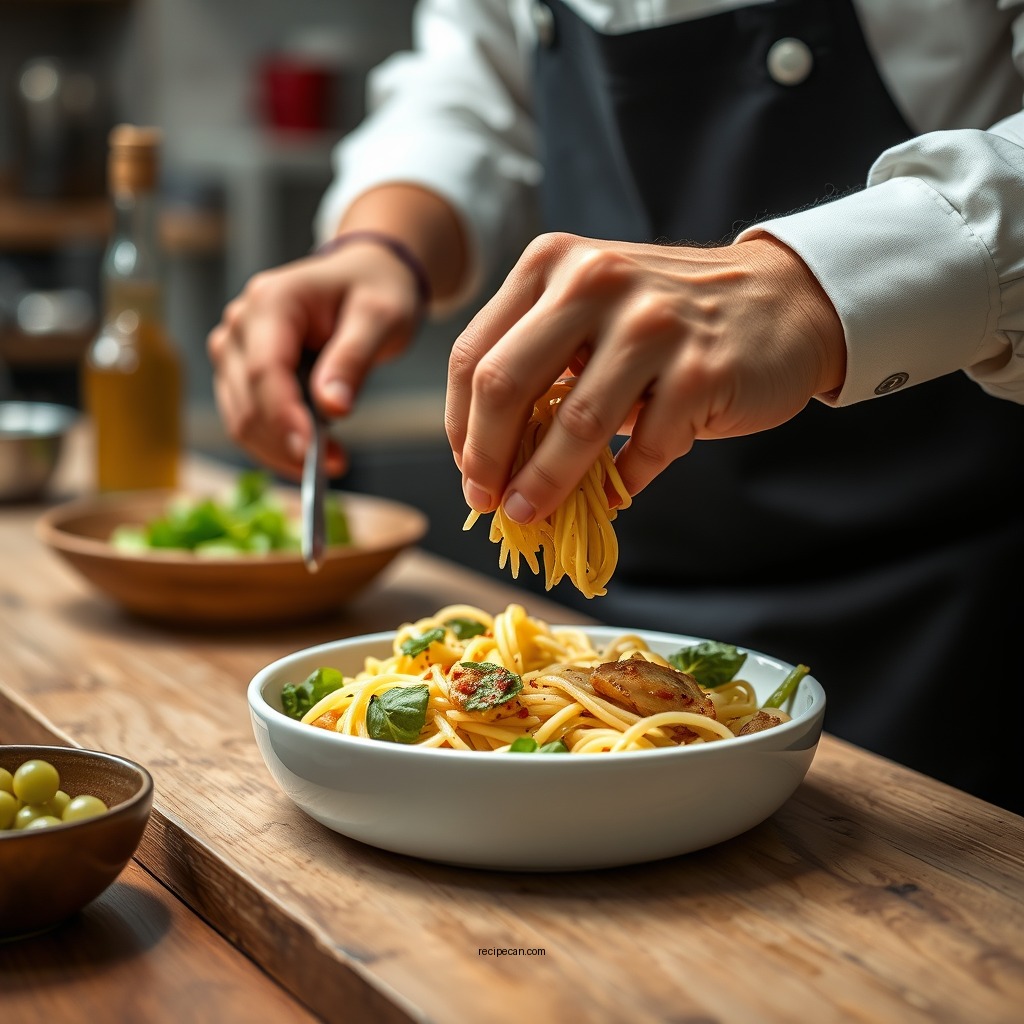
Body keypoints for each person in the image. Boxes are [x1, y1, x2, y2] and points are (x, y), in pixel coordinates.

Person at [208, 1, 1024, 815]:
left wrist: (807, 289)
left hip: (942, 609)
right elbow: (474, 83)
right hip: (603, 619)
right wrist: (382, 244)